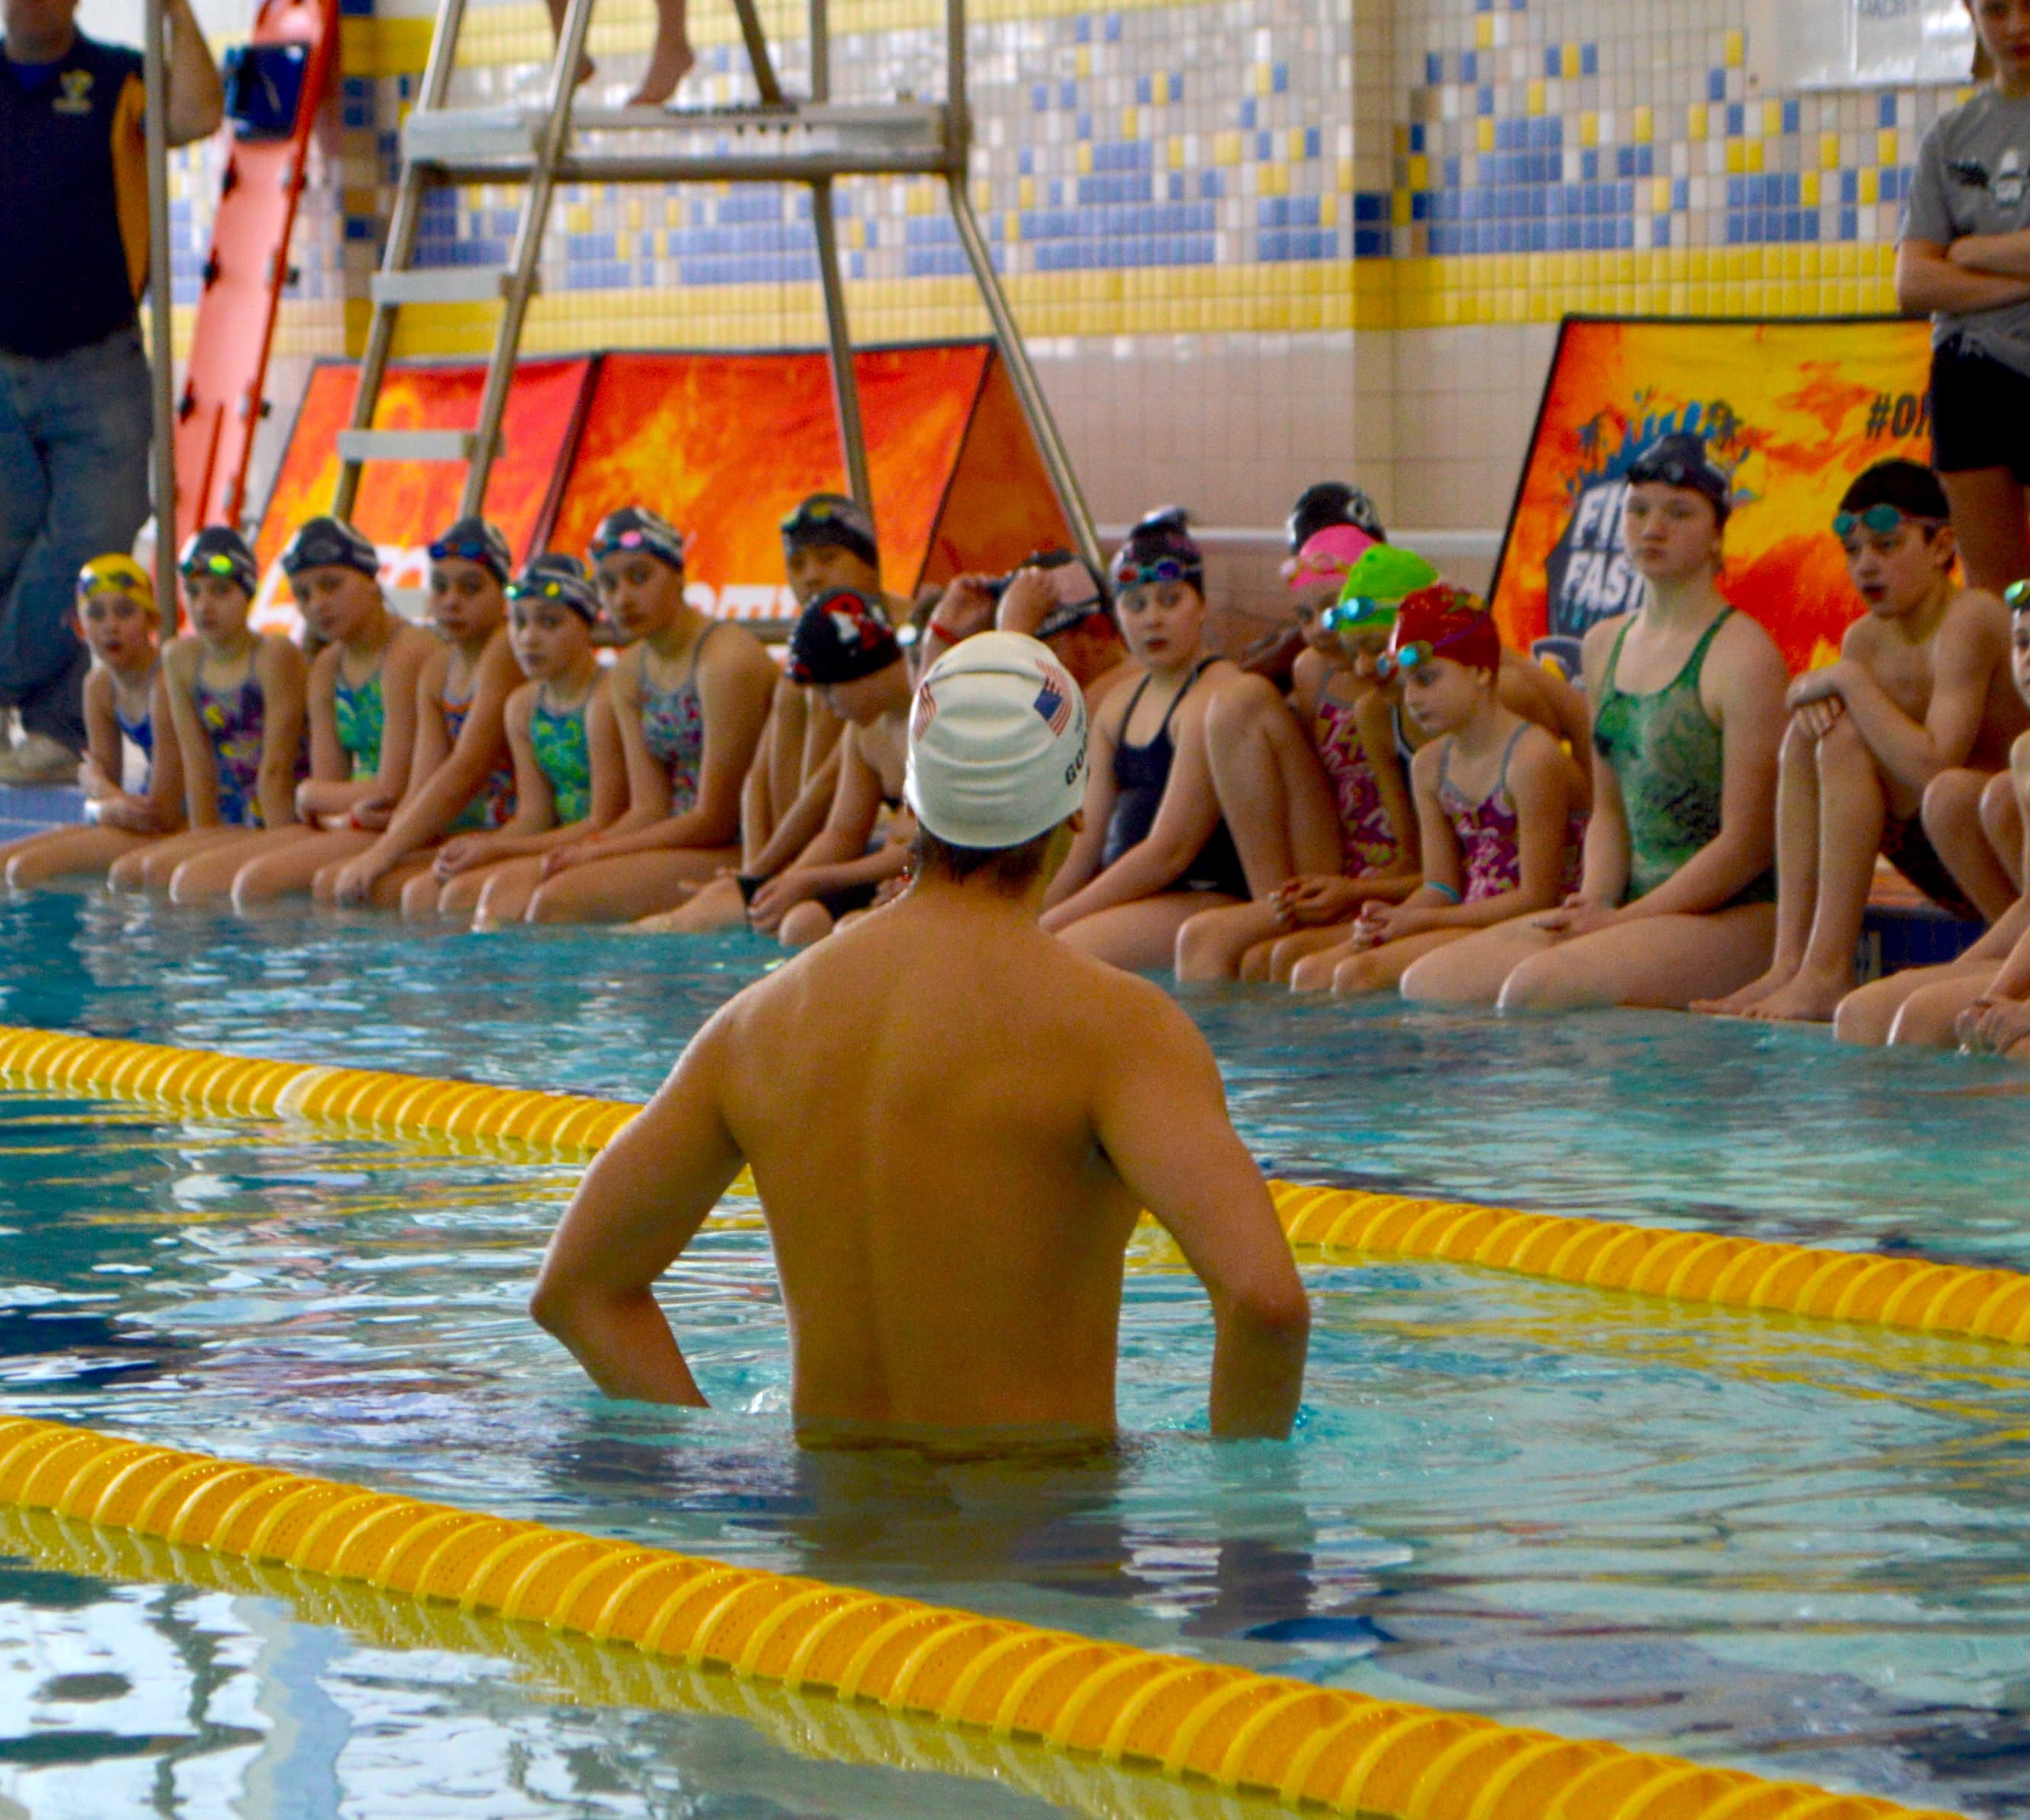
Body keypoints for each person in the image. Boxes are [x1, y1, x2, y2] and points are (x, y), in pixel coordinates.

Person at [532, 631, 1310, 1443]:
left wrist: (716, 1463)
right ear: (1078, 804)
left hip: (822, 1517)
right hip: (1041, 1518)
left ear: (913, 800)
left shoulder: (757, 1022)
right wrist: (1242, 1501)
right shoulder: (1119, 1028)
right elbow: (1265, 1302)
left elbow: (576, 1290)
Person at [1403, 434, 1789, 1010]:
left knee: (1538, 988)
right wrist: (1594, 902)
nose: (1652, 528)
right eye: (1637, 510)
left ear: (1717, 533)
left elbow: (1746, 847)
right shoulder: (1604, 644)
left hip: (1736, 915)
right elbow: (1609, 810)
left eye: (1678, 513)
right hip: (1629, 905)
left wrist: (1624, 919)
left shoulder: (1744, 658)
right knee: (1431, 984)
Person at [1698, 461, 2025, 1021]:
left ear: (1941, 546)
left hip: (2006, 853)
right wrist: (1819, 689)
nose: (1865, 566)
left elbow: (1932, 766)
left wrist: (1847, 680)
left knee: (1945, 791)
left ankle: (1830, 971)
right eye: (1852, 552)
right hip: (1940, 852)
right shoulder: (1864, 639)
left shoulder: (1971, 617)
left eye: (1887, 546)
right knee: (1820, 736)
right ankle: (1795, 965)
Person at [0, 0, 222, 782]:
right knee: (6, 543)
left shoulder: (118, 77)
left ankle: (43, 712)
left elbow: (198, 113)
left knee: (91, 541)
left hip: (99, 360)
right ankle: (55, 722)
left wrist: (176, 12)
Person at [1041, 510, 1341, 971]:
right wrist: (1030, 916)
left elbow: (1170, 850)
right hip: (1147, 903)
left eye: (1170, 600)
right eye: (1135, 605)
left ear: (1201, 605)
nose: (1152, 619)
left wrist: (1052, 923)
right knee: (1034, 948)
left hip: (1209, 893)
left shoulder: (1219, 695)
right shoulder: (1117, 706)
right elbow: (1085, 845)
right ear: (1118, 616)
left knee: (1062, 955)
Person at [1291, 586, 1586, 997]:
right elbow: (1442, 886)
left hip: (1540, 925)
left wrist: (1421, 922)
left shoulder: (1531, 759)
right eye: (1406, 682)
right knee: (1312, 973)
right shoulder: (1429, 764)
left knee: (1361, 977)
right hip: (1470, 919)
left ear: (1480, 672)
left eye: (1427, 680)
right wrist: (1391, 919)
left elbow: (1537, 897)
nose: (1412, 698)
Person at [1175, 533, 1422, 984]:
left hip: (1403, 873)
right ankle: (1277, 902)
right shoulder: (1313, 671)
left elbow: (1428, 855)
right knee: (1203, 939)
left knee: (1271, 960)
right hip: (1343, 862)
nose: (1320, 628)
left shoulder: (1416, 691)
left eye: (1334, 608)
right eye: (1304, 616)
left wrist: (1355, 891)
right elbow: (1319, 780)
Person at [520, 506, 775, 924]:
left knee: (557, 902)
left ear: (678, 575)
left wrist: (600, 850)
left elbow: (716, 818)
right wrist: (587, 848)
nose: (622, 598)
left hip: (746, 848)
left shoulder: (724, 661)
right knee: (516, 893)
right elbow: (649, 807)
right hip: (680, 841)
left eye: (639, 577)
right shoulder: (630, 672)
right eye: (608, 584)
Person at [169, 517, 435, 906]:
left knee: (255, 886)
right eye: (304, 594)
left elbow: (388, 791)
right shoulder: (327, 667)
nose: (318, 604)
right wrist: (328, 806)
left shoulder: (406, 652)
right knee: (191, 881)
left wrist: (310, 794)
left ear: (370, 577)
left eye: (331, 584)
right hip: (352, 822)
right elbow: (324, 796)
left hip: (410, 823)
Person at [1835, 578, 2030, 1045]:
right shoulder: (2026, 755)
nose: (2029, 659)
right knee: (1863, 1014)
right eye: (2023, 643)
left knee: (1939, 1024)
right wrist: (1969, 983)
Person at [1894, 0, 2030, 596]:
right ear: (1969, 12)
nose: (2017, 26)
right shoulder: (1949, 137)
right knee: (1997, 596)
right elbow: (1913, 283)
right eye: (1996, 10)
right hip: (1974, 373)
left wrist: (1971, 251)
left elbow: (1940, 267)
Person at [324, 517, 523, 910]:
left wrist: (383, 853)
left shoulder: (504, 651)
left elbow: (467, 767)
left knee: (412, 897)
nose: (451, 601)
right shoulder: (438, 668)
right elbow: (423, 781)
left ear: (503, 594)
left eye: (471, 588)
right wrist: (386, 846)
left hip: (505, 833)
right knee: (339, 886)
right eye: (441, 587)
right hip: (454, 835)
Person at [419, 554, 628, 927]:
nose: (529, 638)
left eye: (549, 622)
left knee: (481, 899)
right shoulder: (523, 706)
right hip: (558, 844)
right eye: (519, 622)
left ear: (587, 625)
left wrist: (498, 848)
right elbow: (535, 815)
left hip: (604, 845)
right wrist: (485, 846)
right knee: (425, 893)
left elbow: (603, 820)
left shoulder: (605, 699)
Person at [109, 526, 308, 892]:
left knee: (189, 883)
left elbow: (276, 774)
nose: (203, 606)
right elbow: (197, 766)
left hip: (283, 821)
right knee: (132, 874)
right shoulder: (181, 658)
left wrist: (281, 864)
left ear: (247, 592)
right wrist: (202, 843)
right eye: (193, 591)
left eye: (221, 591)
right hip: (228, 822)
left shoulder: (273, 656)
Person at [746, 589, 915, 948]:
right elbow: (842, 834)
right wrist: (781, 885)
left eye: (826, 689)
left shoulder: (934, 719)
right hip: (892, 875)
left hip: (933, 878)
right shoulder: (864, 731)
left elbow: (932, 850)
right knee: (795, 922)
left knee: (846, 933)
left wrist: (812, 880)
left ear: (857, 670)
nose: (825, 704)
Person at [2, 554, 183, 884]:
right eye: (96, 614)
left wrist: (102, 795)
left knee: (25, 869)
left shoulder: (165, 683)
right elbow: (102, 799)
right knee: (5, 863)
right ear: (80, 628)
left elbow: (161, 814)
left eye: (125, 611)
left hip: (185, 822)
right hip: (140, 818)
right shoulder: (99, 687)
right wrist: (105, 801)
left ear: (152, 621)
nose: (110, 626)